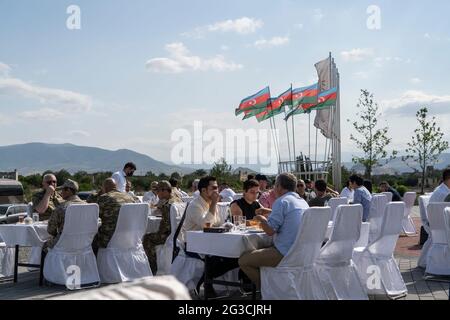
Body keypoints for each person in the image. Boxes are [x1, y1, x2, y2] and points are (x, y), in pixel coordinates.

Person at [238, 173, 309, 288]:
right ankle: (276, 285)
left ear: (279, 187)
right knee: (261, 249)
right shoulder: (303, 202)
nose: (273, 189)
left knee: (243, 261)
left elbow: (270, 231)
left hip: (285, 253)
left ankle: (269, 290)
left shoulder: (282, 202)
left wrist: (261, 219)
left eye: (275, 185)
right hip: (303, 253)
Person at [178, 176, 237, 297]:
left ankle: (208, 280)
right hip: (195, 245)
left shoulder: (211, 203)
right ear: (204, 190)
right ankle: (208, 282)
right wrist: (214, 204)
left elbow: (218, 223)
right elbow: (206, 225)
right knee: (226, 257)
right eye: (214, 188)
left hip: (211, 242)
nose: (218, 191)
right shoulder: (195, 205)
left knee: (236, 256)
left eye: (218, 188)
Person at [143, 181, 178, 274]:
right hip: (179, 235)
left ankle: (153, 268)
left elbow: (165, 228)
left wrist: (158, 233)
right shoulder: (177, 200)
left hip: (169, 236)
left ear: (164, 191)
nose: (157, 194)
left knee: (147, 239)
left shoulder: (167, 205)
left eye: (158, 191)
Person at [94, 178, 136, 252]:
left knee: (90, 238)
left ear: (104, 188)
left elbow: (94, 217)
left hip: (109, 238)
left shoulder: (104, 197)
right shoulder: (129, 197)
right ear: (115, 187)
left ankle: (96, 262)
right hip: (128, 237)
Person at [46, 179, 85, 249]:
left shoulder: (61, 208)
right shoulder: (88, 206)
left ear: (68, 191)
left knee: (43, 247)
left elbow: (50, 230)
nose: (61, 192)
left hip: (64, 246)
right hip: (84, 245)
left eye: (63, 190)